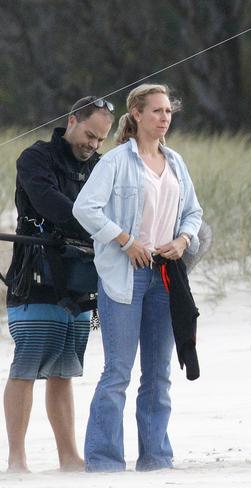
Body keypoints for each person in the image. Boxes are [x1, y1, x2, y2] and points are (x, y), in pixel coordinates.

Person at [72, 83, 203, 472]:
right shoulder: (115, 162)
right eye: (157, 111)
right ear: (138, 114)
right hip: (124, 277)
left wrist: (182, 239)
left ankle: (156, 458)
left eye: (168, 112)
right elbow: (85, 208)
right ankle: (104, 461)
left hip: (165, 276)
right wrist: (126, 240)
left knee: (159, 374)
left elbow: (193, 213)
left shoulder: (176, 162)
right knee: (117, 373)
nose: (164, 118)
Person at [2, 96, 114, 472]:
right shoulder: (35, 157)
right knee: (27, 365)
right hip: (34, 277)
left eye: (101, 140)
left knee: (65, 370)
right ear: (71, 121)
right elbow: (49, 202)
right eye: (89, 135)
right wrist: (102, 227)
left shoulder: (99, 165)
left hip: (81, 279)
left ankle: (69, 456)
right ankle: (16, 459)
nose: (93, 145)